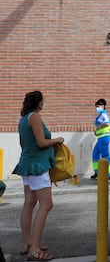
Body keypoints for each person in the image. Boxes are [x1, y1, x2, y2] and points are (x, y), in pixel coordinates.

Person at [13, 91, 64, 261]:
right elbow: (41, 142)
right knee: (46, 204)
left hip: (27, 164)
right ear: (38, 103)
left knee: (29, 202)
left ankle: (28, 242)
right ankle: (35, 249)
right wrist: (57, 140)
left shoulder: (23, 118)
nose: (44, 103)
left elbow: (25, 143)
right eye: (43, 101)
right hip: (38, 166)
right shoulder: (34, 117)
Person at [90, 99, 110, 180]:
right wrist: (96, 130)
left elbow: (107, 123)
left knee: (105, 155)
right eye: (96, 106)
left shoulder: (104, 114)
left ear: (103, 106)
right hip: (101, 137)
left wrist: (98, 128)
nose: (97, 108)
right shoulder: (101, 114)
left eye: (98, 106)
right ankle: (97, 172)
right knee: (95, 154)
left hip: (104, 137)